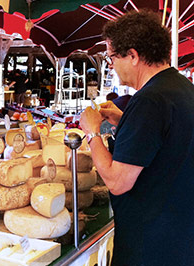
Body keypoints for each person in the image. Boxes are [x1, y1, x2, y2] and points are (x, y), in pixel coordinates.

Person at [79, 10, 194, 266]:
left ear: (132, 55)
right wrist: (125, 121)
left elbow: (117, 182)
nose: (112, 66)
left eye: (111, 58)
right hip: (179, 235)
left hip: (151, 244)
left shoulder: (149, 100)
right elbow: (166, 140)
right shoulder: (181, 88)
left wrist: (91, 132)